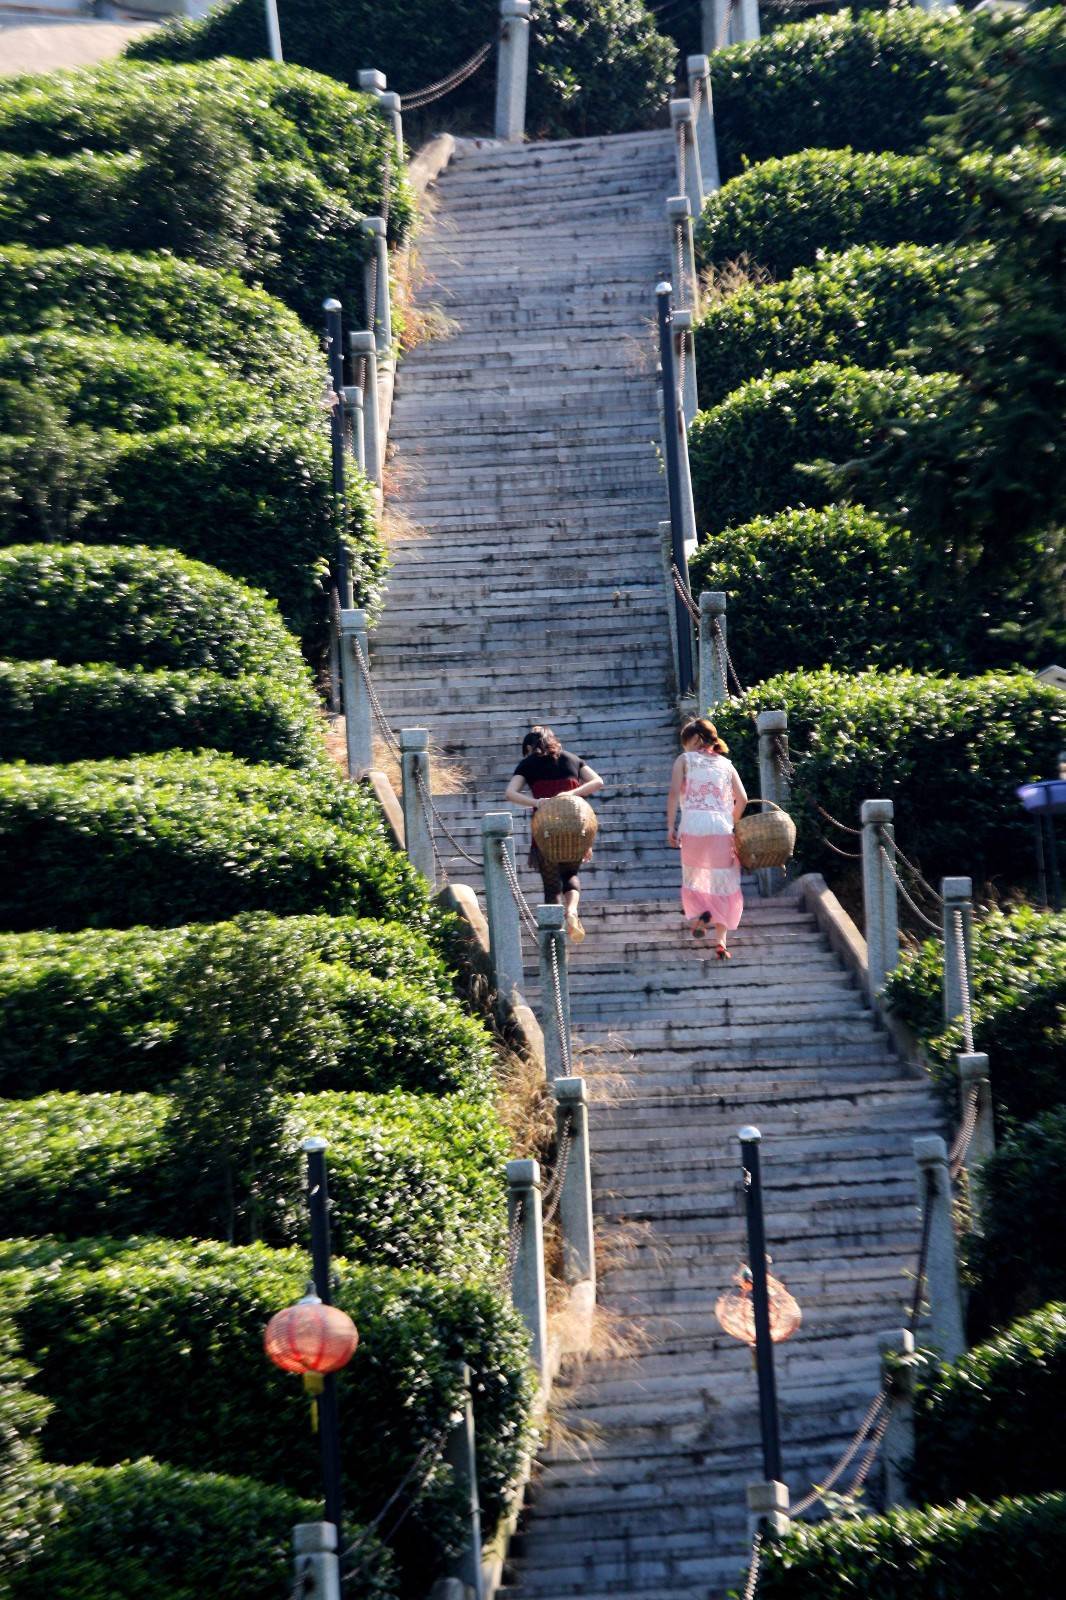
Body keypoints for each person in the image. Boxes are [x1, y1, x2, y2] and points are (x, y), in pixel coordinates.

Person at [505, 726, 604, 942]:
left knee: (551, 887)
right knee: (570, 874)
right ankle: (572, 911)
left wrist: (537, 802)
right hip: (576, 829)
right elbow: (598, 781)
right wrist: (571, 793)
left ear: (530, 746)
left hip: (545, 831)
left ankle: (554, 937)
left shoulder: (528, 764)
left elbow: (510, 793)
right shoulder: (571, 758)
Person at [666, 717, 747, 955]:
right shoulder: (726, 764)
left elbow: (673, 794)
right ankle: (721, 941)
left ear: (695, 739)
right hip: (720, 828)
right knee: (724, 882)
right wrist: (731, 823)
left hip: (692, 827)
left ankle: (703, 915)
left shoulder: (684, 760)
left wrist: (670, 826)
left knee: (696, 878)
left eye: (686, 743)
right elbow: (742, 799)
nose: (686, 748)